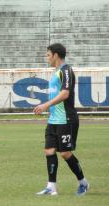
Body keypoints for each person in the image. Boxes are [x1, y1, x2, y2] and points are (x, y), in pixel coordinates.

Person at [34, 43, 89, 196]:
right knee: (49, 150)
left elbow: (65, 94)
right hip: (53, 120)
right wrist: (47, 108)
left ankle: (83, 182)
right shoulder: (55, 72)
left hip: (66, 119)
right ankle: (51, 187)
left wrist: (46, 105)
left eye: (48, 55)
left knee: (65, 153)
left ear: (56, 55)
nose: (47, 58)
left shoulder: (66, 71)